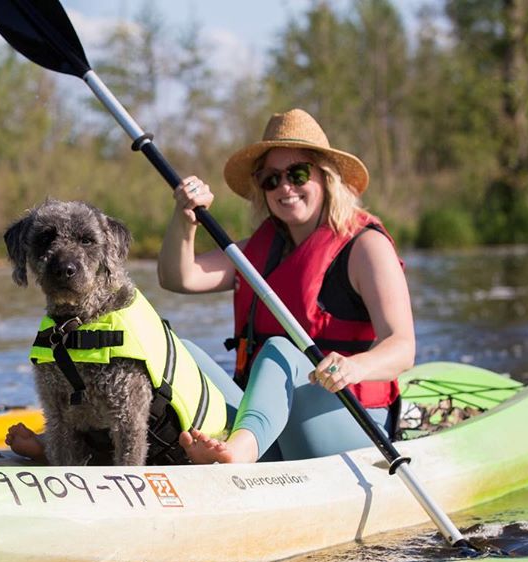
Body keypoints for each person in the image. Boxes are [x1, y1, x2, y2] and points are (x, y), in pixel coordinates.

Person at [158, 108, 414, 464]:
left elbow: (402, 348)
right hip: (270, 429)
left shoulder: (366, 247)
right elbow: (179, 277)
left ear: (325, 178)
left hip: (349, 422)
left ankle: (238, 454)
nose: (285, 188)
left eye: (297, 173)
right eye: (271, 179)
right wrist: (185, 219)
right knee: (176, 351)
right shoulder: (257, 251)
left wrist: (356, 366)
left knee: (281, 349)